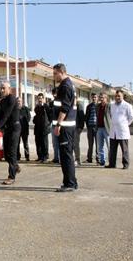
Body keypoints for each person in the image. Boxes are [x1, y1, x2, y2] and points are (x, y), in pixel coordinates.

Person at [52, 63, 78, 192]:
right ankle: (71, 181)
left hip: (65, 126)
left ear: (62, 72)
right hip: (68, 126)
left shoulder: (66, 86)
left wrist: (58, 124)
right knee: (67, 155)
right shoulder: (67, 85)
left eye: (55, 73)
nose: (54, 76)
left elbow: (65, 108)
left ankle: (70, 184)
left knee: (66, 155)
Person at [0, 81, 21, 185]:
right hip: (7, 129)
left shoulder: (12, 99)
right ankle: (16, 166)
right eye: (1, 88)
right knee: (6, 153)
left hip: (15, 128)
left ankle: (11, 177)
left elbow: (7, 115)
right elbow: (0, 116)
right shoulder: (2, 101)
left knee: (12, 152)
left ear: (9, 89)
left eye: (4, 88)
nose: (2, 90)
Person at [106, 90, 133, 169]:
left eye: (119, 96)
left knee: (124, 149)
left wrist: (125, 124)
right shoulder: (112, 105)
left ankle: (125, 164)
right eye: (116, 96)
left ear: (122, 96)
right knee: (112, 149)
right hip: (113, 130)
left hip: (122, 131)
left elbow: (131, 117)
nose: (117, 97)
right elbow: (111, 115)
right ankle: (112, 164)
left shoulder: (127, 105)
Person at [33, 93, 52, 163]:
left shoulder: (46, 106)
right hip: (37, 128)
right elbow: (36, 116)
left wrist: (48, 123)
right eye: (39, 98)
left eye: (41, 98)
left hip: (44, 128)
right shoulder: (37, 107)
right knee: (38, 143)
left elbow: (50, 116)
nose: (40, 100)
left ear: (43, 99)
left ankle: (45, 157)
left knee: (44, 143)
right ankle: (40, 156)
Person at [96, 93, 111, 166]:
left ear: (106, 98)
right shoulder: (97, 106)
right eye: (100, 97)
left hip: (107, 128)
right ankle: (102, 161)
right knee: (100, 146)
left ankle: (111, 161)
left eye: (103, 97)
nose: (101, 99)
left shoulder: (109, 106)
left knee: (109, 146)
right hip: (99, 128)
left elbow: (112, 117)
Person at [85, 93, 99, 164]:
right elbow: (86, 116)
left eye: (95, 97)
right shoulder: (89, 106)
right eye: (93, 97)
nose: (94, 98)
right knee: (90, 144)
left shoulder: (99, 106)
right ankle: (89, 158)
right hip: (90, 127)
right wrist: (87, 125)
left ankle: (98, 158)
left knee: (98, 144)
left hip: (97, 128)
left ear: (97, 98)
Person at [17, 97, 31, 161]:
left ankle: (27, 156)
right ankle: (18, 156)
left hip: (24, 129)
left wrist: (23, 121)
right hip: (17, 130)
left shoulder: (26, 109)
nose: (18, 102)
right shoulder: (15, 109)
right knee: (17, 143)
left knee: (25, 143)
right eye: (17, 101)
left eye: (19, 101)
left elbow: (29, 118)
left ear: (22, 102)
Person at [49, 88, 60, 163]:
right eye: (54, 93)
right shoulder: (51, 103)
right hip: (53, 125)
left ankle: (60, 158)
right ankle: (56, 158)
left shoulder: (61, 102)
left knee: (60, 142)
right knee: (54, 143)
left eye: (56, 93)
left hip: (59, 125)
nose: (55, 95)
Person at [74, 100, 85, 166]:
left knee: (76, 144)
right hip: (69, 127)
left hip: (76, 128)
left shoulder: (78, 105)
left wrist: (81, 127)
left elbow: (82, 116)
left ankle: (77, 160)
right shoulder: (68, 103)